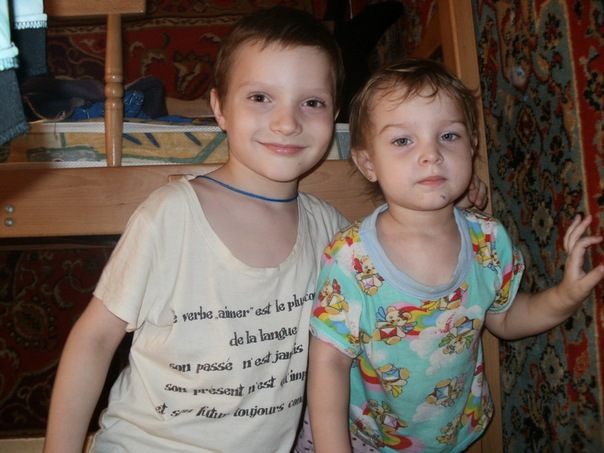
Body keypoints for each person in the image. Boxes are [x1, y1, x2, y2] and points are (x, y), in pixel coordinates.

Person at [43, 9, 487, 453]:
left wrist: (444, 203)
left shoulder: (332, 232)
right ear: (220, 108)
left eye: (312, 103)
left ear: (334, 114)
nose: (287, 122)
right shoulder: (170, 215)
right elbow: (95, 338)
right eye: (260, 97)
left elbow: (398, 253)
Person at [300, 59, 604, 453]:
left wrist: (565, 295)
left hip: (454, 433)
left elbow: (505, 319)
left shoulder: (489, 241)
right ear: (368, 163)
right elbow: (328, 363)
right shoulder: (350, 259)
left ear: (472, 145)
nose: (431, 154)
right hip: (363, 438)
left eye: (448, 135)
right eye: (403, 141)